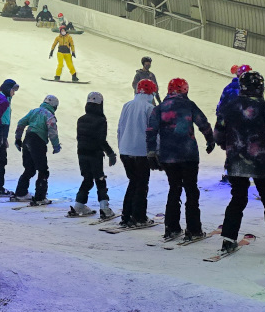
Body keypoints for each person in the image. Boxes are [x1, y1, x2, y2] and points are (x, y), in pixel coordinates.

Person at [213, 71, 265, 259]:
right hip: (262, 164)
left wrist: (229, 146)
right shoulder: (264, 107)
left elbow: (218, 133)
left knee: (237, 200)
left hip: (236, 163)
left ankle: (228, 238)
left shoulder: (229, 106)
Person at [147, 78, 214, 240]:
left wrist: (151, 152)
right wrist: (210, 140)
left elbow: (150, 130)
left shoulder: (160, 108)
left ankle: (171, 227)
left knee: (174, 189)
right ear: (185, 90)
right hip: (188, 155)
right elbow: (203, 123)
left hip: (168, 157)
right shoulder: (189, 105)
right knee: (191, 190)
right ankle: (193, 229)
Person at [116, 80, 159, 227]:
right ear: (152, 93)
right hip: (141, 151)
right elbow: (153, 132)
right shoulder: (150, 108)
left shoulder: (127, 105)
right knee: (141, 184)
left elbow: (120, 128)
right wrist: (156, 151)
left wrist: (121, 147)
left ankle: (126, 216)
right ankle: (139, 217)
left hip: (125, 150)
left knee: (133, 182)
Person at [70, 92, 117, 218]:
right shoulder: (101, 120)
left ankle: (79, 205)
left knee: (87, 179)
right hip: (94, 154)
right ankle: (105, 209)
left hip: (81, 153)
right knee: (100, 179)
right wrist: (110, 153)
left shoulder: (81, 119)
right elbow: (101, 140)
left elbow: (79, 138)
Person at [13, 94, 61, 205]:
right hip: (38, 142)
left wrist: (18, 138)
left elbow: (21, 123)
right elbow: (52, 132)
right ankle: (40, 197)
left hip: (27, 139)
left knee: (29, 169)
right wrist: (56, 146)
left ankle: (20, 193)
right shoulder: (49, 116)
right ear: (54, 106)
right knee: (43, 170)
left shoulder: (33, 111)